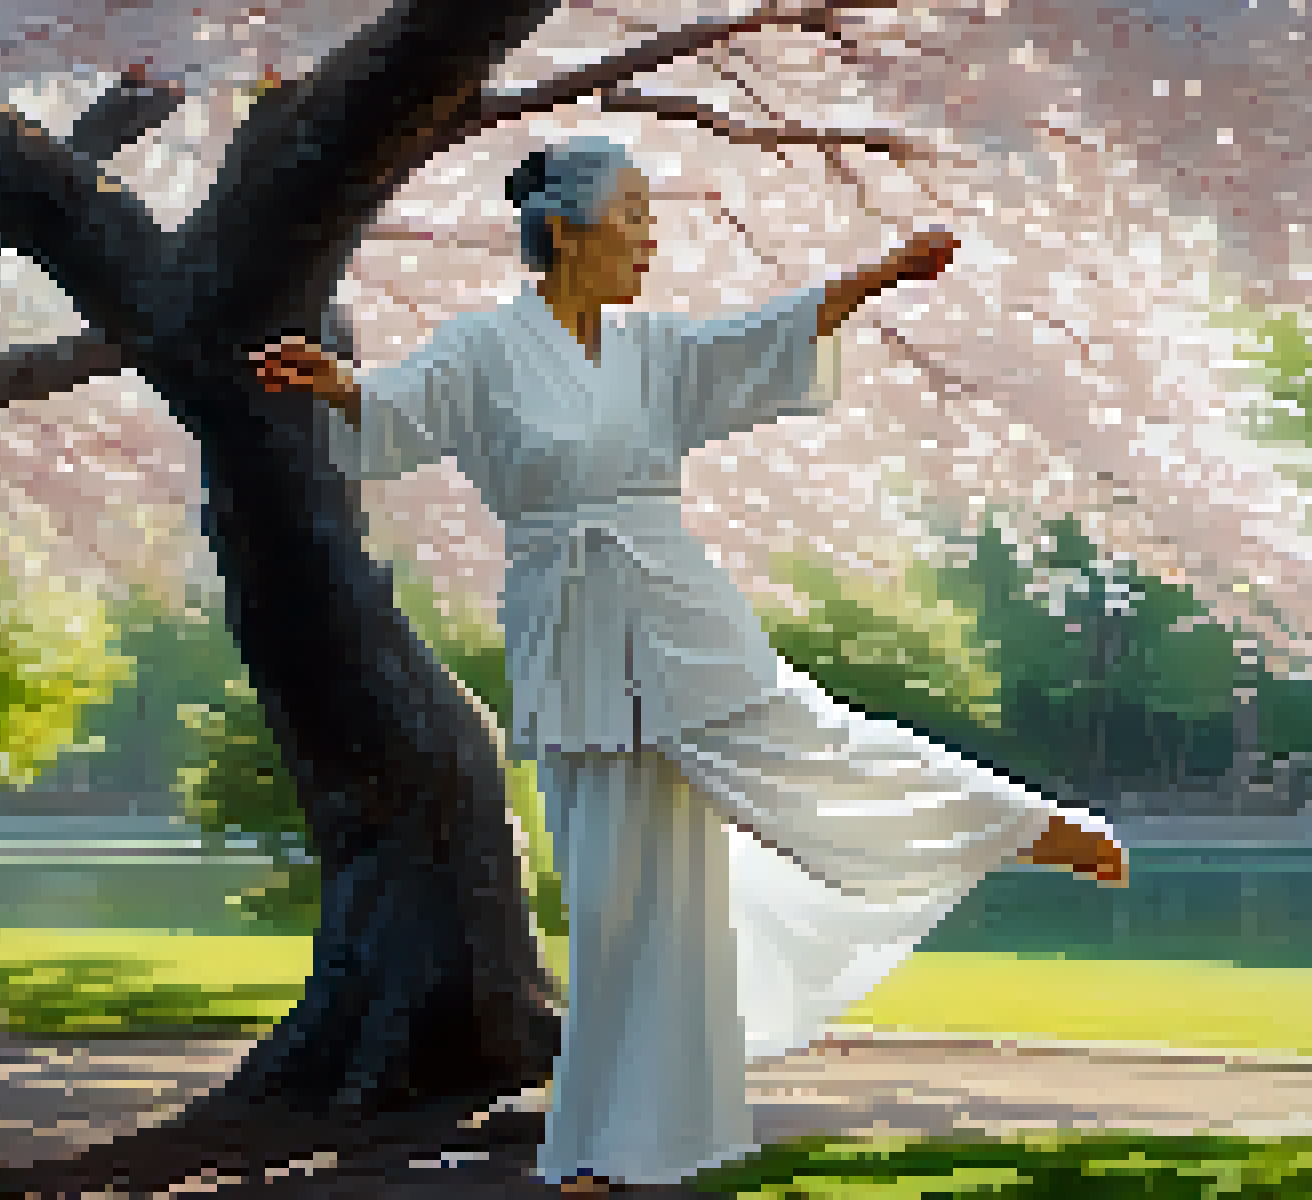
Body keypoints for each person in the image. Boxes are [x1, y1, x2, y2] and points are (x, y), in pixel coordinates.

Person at [253, 137, 1129, 1195]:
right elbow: (400, 416)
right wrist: (338, 387)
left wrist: (880, 275)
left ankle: (1017, 824)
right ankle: (602, 1153)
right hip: (568, 625)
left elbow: (755, 342)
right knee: (620, 906)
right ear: (565, 232)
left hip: (674, 603)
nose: (648, 234)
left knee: (810, 745)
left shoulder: (657, 350)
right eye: (631, 214)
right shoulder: (483, 347)